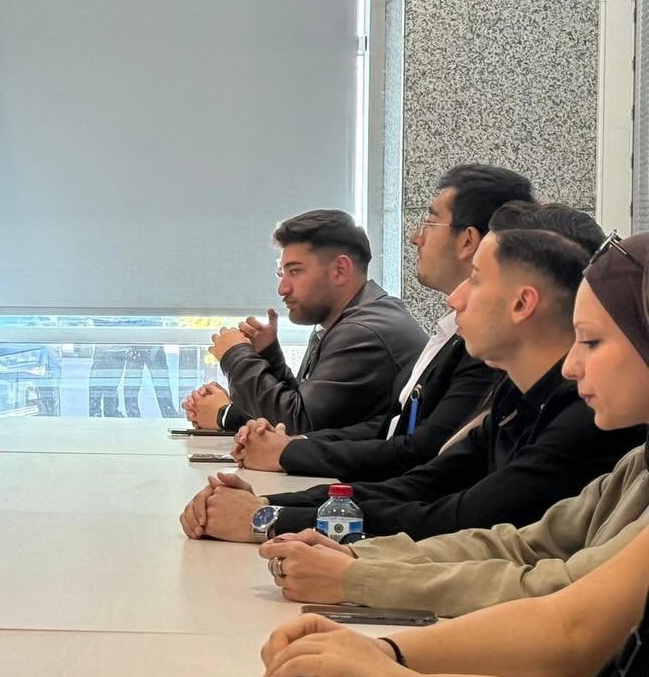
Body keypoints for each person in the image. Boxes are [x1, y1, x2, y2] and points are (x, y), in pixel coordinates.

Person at [256, 232, 649, 677]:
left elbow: (573, 624)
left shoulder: (583, 424)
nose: (572, 364)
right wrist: (382, 649)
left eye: (591, 341)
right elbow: (523, 544)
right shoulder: (633, 458)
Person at [182, 210, 641, 546]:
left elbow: (458, 515)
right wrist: (273, 505)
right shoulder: (516, 395)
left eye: (592, 340)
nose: (454, 299)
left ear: (523, 302)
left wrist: (268, 517)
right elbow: (422, 482)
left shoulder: (585, 417)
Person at [232, 165, 530, 479]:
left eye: (429, 223)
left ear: (468, 241)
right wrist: (293, 445)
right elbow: (390, 427)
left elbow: (418, 455)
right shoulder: (448, 331)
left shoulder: (368, 330)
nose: (415, 238)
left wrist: (237, 361)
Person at [181, 210, 425, 435]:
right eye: (282, 273)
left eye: (295, 271)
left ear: (340, 270)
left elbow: (297, 426)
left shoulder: (363, 331)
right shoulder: (350, 319)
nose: (282, 289)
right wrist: (268, 355)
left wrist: (236, 357)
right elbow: (309, 408)